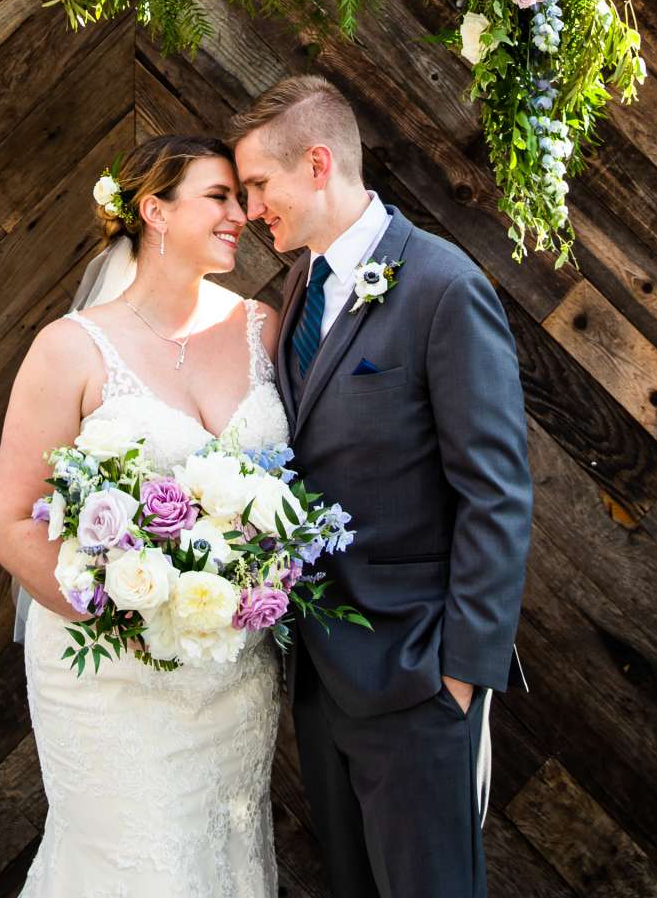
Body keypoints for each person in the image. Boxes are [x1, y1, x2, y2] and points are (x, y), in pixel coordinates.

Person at [233, 75, 532, 898]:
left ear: (318, 163)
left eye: (260, 184)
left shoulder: (442, 286)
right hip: (323, 680)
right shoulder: (300, 289)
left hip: (417, 677)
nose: (253, 208)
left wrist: (459, 679)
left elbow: (496, 493)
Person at [0, 133, 288, 897]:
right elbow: (14, 528)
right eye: (218, 197)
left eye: (241, 198)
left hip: (231, 678)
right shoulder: (70, 350)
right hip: (110, 679)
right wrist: (140, 616)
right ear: (153, 209)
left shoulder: (264, 330)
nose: (241, 214)